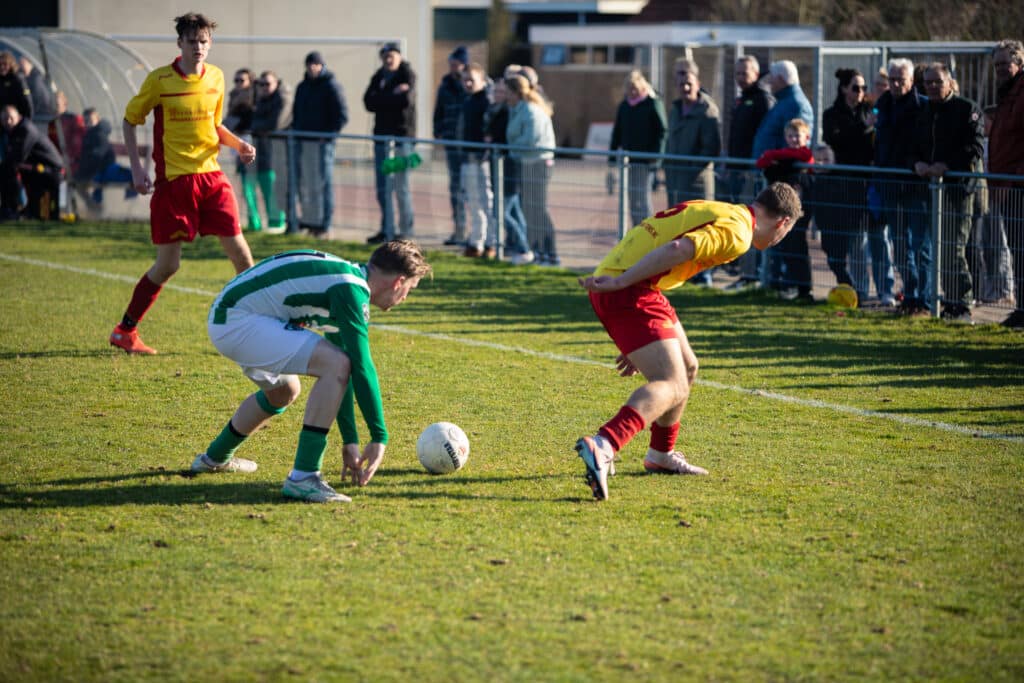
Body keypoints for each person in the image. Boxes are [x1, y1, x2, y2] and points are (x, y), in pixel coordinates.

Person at [574, 182, 802, 501]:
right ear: (783, 223)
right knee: (672, 382)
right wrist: (622, 282)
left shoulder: (729, 212)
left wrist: (641, 338)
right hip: (630, 287)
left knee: (688, 366)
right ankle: (605, 444)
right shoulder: (739, 233)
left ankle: (660, 454)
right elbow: (677, 249)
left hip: (636, 285)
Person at [192, 240, 432, 503]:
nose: (405, 297)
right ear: (399, 282)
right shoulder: (350, 288)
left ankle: (213, 459)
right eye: (410, 289)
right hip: (237, 320)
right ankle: (304, 476)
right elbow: (361, 367)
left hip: (233, 318)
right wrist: (379, 436)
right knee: (335, 363)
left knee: (284, 392)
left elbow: (346, 370)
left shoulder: (348, 280)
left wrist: (350, 441)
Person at [108, 12, 256, 355]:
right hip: (174, 183)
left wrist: (239, 145)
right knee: (168, 265)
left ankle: (260, 320)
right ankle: (125, 330)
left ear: (210, 43)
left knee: (241, 253)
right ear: (180, 43)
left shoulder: (216, 77)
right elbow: (130, 121)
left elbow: (215, 125)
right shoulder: (160, 81)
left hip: (212, 177)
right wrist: (136, 169)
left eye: (203, 41)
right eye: (192, 41)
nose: (198, 47)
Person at [910, 62, 984, 323]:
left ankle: (962, 304)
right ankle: (950, 303)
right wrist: (916, 163)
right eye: (928, 82)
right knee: (940, 250)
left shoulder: (966, 109)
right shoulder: (923, 112)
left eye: (937, 82)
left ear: (950, 82)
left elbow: (975, 147)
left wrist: (947, 165)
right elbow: (912, 146)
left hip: (958, 190)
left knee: (954, 249)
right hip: (932, 190)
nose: (932, 87)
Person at [821, 67, 895, 306]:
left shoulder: (871, 110)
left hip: (872, 185)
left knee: (879, 237)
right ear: (844, 89)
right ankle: (861, 290)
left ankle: (886, 290)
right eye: (855, 87)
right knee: (856, 242)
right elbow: (837, 141)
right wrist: (866, 129)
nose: (861, 92)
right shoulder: (832, 115)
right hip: (849, 187)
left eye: (864, 87)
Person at [874, 58, 931, 317]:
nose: (896, 84)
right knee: (899, 245)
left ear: (911, 81)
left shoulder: (922, 106)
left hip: (916, 186)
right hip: (890, 185)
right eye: (892, 79)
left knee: (920, 246)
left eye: (901, 79)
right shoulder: (883, 105)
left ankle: (923, 298)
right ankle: (910, 295)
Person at [665, 58, 721, 286]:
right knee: (679, 228)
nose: (685, 86)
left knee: (701, 229)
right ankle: (683, 272)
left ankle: (704, 273)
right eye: (680, 81)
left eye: (689, 81)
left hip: (697, 180)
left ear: (697, 81)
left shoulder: (707, 110)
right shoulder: (675, 109)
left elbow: (711, 148)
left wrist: (689, 168)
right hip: (675, 179)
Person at [724, 55, 774, 289]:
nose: (740, 78)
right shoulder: (740, 100)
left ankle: (753, 274)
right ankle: (745, 272)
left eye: (745, 73)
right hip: (736, 171)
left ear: (756, 73)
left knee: (751, 223)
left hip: (752, 173)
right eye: (737, 73)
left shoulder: (763, 100)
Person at [289, 51, 348, 237]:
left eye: (316, 64)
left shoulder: (331, 86)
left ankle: (324, 224)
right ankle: (311, 221)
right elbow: (296, 113)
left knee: (323, 183)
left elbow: (342, 115)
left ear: (322, 65)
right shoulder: (303, 86)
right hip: (304, 142)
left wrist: (328, 135)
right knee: (307, 183)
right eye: (309, 64)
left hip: (322, 145)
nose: (312, 67)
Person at [756, 118, 815, 302]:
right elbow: (762, 164)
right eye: (790, 136)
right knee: (785, 245)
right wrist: (774, 159)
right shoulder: (786, 157)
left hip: (801, 208)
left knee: (797, 245)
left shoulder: (803, 155)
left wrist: (774, 155)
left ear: (807, 137)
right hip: (785, 208)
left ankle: (803, 288)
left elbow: (802, 156)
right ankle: (788, 284)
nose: (794, 139)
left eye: (797, 135)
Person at [364, 42, 416, 244]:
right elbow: (368, 102)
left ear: (399, 56)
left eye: (392, 55)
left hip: (402, 141)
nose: (388, 59)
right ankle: (387, 229)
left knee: (401, 187)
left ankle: (405, 231)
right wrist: (391, 95)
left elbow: (405, 101)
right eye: (385, 56)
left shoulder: (408, 75)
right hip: (382, 140)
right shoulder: (378, 77)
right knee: (383, 187)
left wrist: (382, 99)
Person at [988, 39, 1024, 329]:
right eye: (997, 64)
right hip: (1006, 184)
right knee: (1016, 250)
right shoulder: (1007, 93)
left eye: (1005, 64)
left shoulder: (1020, 94)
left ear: (1019, 63)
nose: (1000, 69)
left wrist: (1012, 179)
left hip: (1017, 185)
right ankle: (1021, 307)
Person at [506, 73, 559, 265]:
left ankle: (551, 253)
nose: (505, 96)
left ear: (516, 93)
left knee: (538, 209)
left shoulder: (530, 110)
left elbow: (530, 140)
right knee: (529, 209)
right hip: (526, 163)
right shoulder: (517, 110)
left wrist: (510, 147)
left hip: (538, 164)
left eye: (507, 92)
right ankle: (538, 252)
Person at [608, 70, 667, 229]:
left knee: (643, 196)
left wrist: (657, 156)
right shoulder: (624, 106)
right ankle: (636, 229)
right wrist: (612, 155)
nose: (632, 92)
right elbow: (617, 131)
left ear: (641, 87)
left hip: (646, 160)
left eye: (635, 88)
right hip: (629, 160)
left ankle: (649, 230)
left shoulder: (652, 103)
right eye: (629, 88)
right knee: (632, 197)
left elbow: (662, 131)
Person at [0, 104, 64, 220]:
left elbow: (18, 157)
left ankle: (11, 209)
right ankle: (20, 209)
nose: (8, 122)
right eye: (5, 119)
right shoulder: (14, 131)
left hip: (51, 171)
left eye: (11, 118)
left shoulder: (26, 130)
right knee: (9, 170)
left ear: (18, 117)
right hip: (36, 170)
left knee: (8, 171)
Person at [457, 63, 495, 258]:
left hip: (483, 159)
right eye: (465, 80)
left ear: (482, 80)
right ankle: (476, 242)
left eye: (472, 80)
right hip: (468, 157)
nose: (468, 83)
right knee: (473, 202)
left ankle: (491, 242)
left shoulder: (488, 100)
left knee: (487, 202)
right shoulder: (467, 100)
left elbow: (490, 129)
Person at [434, 46, 469, 247]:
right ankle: (459, 230)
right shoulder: (445, 86)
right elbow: (439, 111)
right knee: (456, 188)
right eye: (452, 64)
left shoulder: (473, 85)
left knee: (474, 191)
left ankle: (480, 235)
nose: (453, 67)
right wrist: (439, 130)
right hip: (452, 144)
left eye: (457, 64)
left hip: (470, 147)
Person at [251, 70, 290, 234]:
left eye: (267, 84)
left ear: (276, 83)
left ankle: (282, 220)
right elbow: (253, 122)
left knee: (278, 185)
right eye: (261, 84)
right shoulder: (261, 99)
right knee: (267, 184)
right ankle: (274, 221)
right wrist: (259, 126)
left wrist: (259, 126)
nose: (264, 87)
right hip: (265, 150)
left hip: (280, 149)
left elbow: (275, 123)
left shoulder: (283, 98)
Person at [752, 60, 814, 160]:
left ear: (780, 79)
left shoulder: (795, 104)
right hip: (770, 166)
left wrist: (779, 164)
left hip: (777, 168)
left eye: (772, 78)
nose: (770, 83)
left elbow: (796, 144)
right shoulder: (784, 102)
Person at [225, 68, 259, 230]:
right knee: (244, 181)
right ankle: (251, 219)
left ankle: (255, 220)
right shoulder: (233, 96)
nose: (238, 84)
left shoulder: (254, 97)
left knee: (249, 182)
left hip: (247, 139)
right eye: (236, 80)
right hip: (236, 139)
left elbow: (250, 119)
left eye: (242, 80)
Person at [47, 91, 85, 179]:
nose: (54, 107)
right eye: (52, 104)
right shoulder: (51, 122)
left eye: (57, 104)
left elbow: (79, 144)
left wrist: (70, 159)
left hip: (71, 165)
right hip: (55, 163)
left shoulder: (74, 119)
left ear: (65, 103)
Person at [18, 55, 55, 120]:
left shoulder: (36, 78)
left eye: (22, 63)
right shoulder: (27, 77)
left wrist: (25, 92)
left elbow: (33, 94)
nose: (20, 66)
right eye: (19, 64)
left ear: (29, 64)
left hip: (41, 112)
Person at [0, 52, 32, 120]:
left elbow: (27, 96)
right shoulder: (1, 80)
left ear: (10, 65)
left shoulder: (18, 79)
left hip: (16, 119)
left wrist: (27, 120)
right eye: (0, 64)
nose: (2, 67)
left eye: (5, 64)